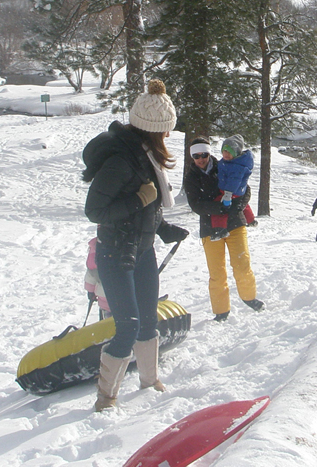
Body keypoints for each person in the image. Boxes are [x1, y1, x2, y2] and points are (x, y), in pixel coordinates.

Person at [81, 79, 189, 411]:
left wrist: (164, 228)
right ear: (153, 130)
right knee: (127, 325)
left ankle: (149, 380)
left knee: (147, 319)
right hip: (115, 252)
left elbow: (148, 206)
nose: (169, 136)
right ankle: (105, 399)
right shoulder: (122, 161)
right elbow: (94, 211)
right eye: (166, 131)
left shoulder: (145, 157)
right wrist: (139, 200)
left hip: (141, 249)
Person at [184, 137, 264, 322]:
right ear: (192, 157)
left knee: (242, 264)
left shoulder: (225, 165)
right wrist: (219, 208)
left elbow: (245, 189)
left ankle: (249, 297)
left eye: (204, 154)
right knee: (217, 273)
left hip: (235, 223)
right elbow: (195, 204)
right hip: (209, 229)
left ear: (209, 153)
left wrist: (235, 208)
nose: (201, 159)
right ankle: (221, 311)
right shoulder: (191, 177)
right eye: (196, 156)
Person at [209, 134, 256, 240]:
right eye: (224, 151)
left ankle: (220, 229)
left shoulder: (236, 166)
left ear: (236, 153)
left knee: (219, 208)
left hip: (230, 191)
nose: (226, 154)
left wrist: (228, 194)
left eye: (229, 152)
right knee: (242, 204)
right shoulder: (233, 162)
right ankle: (251, 219)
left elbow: (234, 181)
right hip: (237, 191)